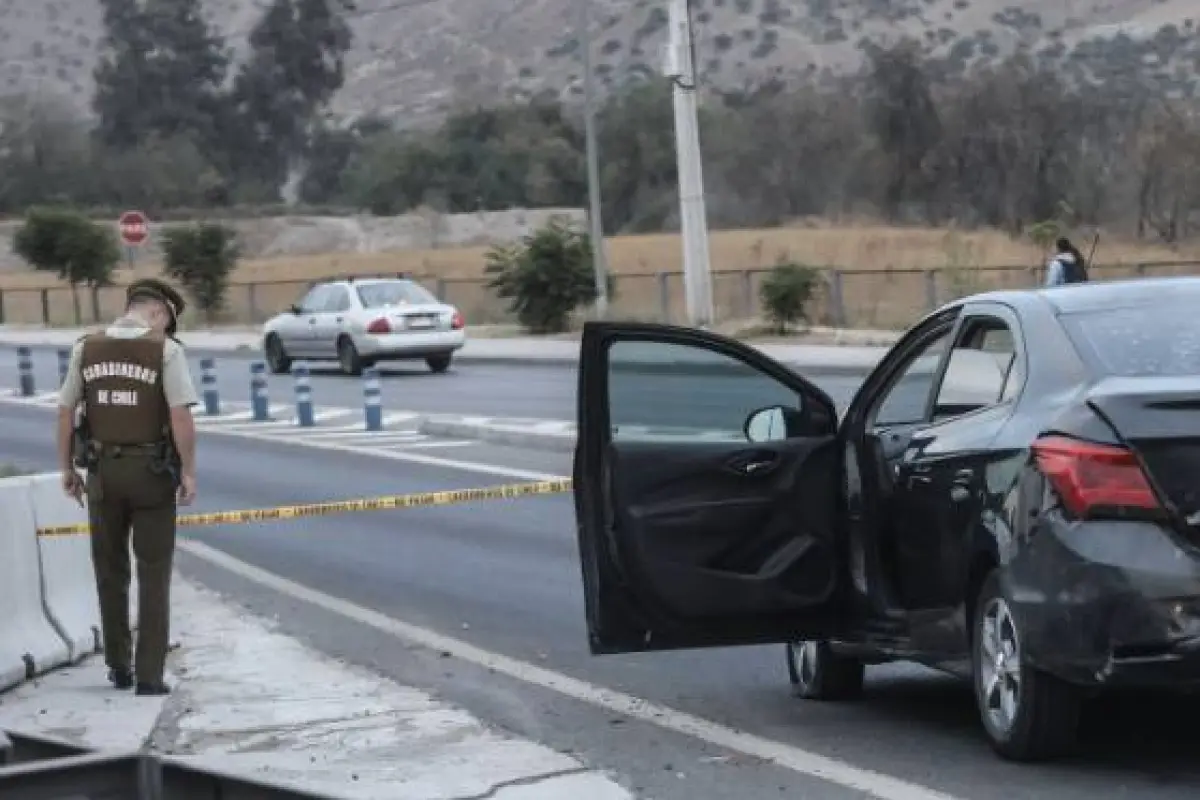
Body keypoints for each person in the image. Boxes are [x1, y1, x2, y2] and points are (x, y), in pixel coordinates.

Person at [56, 278, 199, 696]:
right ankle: (150, 675)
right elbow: (180, 416)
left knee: (109, 570)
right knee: (154, 573)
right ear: (158, 312)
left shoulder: (86, 348)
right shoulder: (166, 351)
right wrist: (189, 471)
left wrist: (66, 468)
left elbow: (65, 412)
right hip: (152, 474)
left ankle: (118, 666)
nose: (166, 329)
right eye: (167, 321)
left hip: (102, 473)